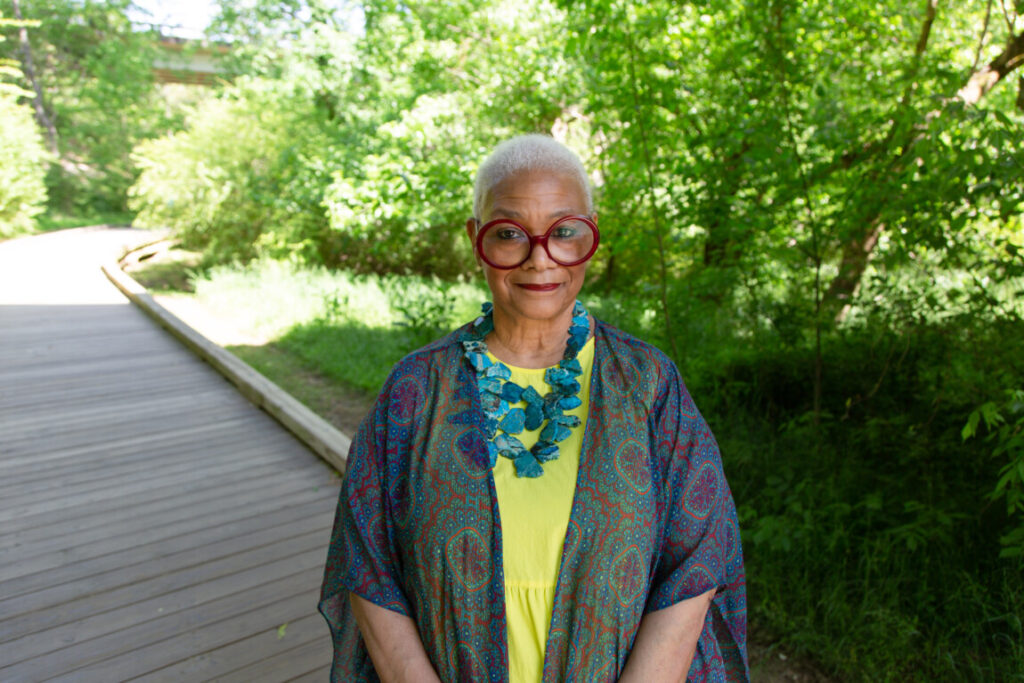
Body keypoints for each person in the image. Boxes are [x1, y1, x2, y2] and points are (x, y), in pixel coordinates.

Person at [319, 134, 748, 682]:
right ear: (477, 239)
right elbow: (367, 559)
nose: (540, 258)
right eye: (509, 234)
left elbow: (698, 555)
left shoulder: (647, 383)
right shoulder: (416, 389)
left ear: (591, 234)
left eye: (565, 232)